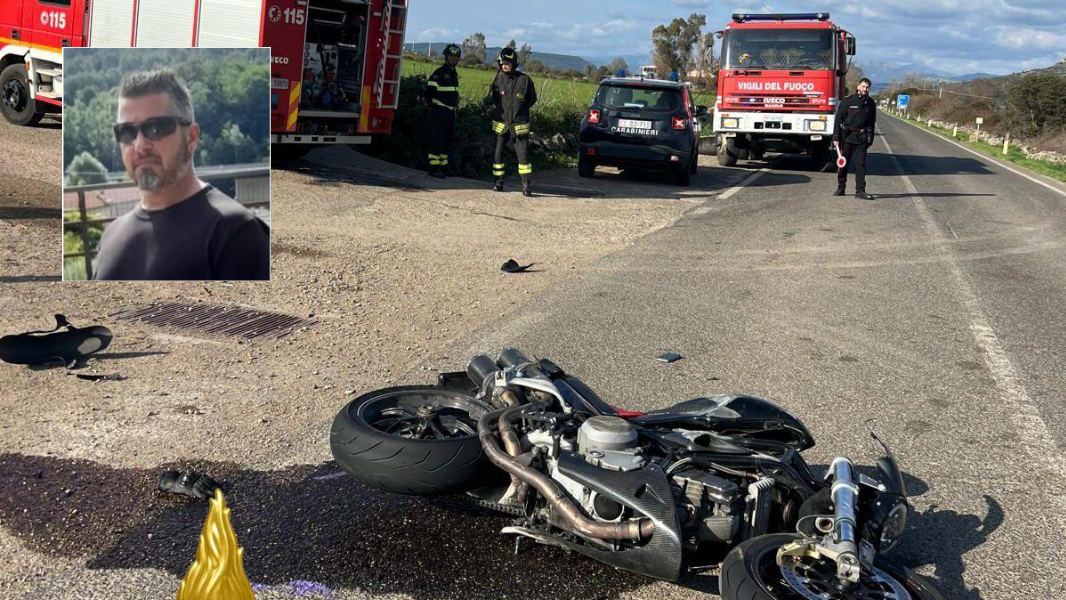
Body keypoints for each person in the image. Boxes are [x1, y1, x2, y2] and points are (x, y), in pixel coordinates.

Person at [94, 69, 270, 281]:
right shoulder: (111, 236)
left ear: (192, 137)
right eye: (127, 132)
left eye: (156, 128)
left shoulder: (236, 233)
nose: (140, 145)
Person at [489, 47, 538, 196]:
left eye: (507, 63)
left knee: (523, 157)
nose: (504, 66)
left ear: (513, 63)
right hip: (501, 124)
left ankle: (526, 185)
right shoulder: (498, 79)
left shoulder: (524, 80)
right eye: (502, 63)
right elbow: (495, 100)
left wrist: (519, 112)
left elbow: (532, 99)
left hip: (518, 125)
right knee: (498, 155)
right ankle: (498, 182)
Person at [833, 77, 877, 200]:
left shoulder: (871, 103)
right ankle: (841, 188)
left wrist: (870, 138)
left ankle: (860, 191)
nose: (865, 89)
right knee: (843, 164)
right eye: (863, 86)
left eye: (867, 87)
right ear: (858, 86)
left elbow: (872, 122)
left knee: (861, 165)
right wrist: (836, 137)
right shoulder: (847, 101)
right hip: (847, 138)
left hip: (862, 138)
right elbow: (838, 119)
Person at [424, 43, 461, 178]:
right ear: (446, 57)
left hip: (450, 113)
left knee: (447, 140)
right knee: (437, 139)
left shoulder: (454, 74)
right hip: (440, 112)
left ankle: (443, 165)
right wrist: (434, 107)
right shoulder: (439, 73)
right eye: (451, 56)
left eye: (455, 56)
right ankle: (433, 167)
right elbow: (428, 93)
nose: (453, 58)